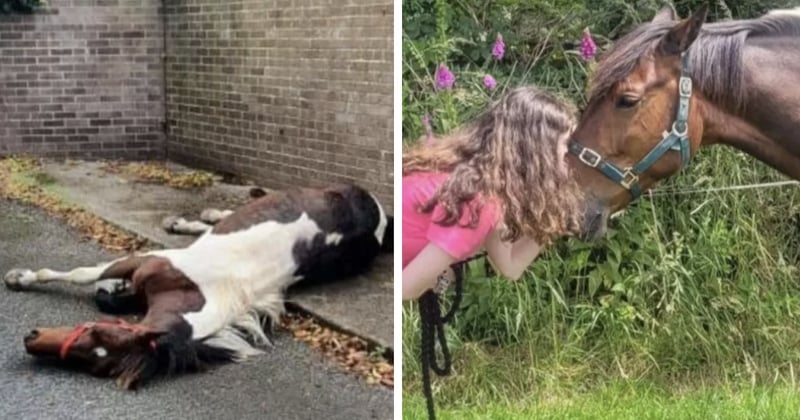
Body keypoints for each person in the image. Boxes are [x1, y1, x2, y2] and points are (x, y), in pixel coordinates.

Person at [402, 86, 584, 300]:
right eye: (566, 145)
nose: (570, 157)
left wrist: (555, 218)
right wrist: (440, 278)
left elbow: (510, 267)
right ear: (539, 152)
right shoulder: (477, 200)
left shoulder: (482, 184)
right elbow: (404, 290)